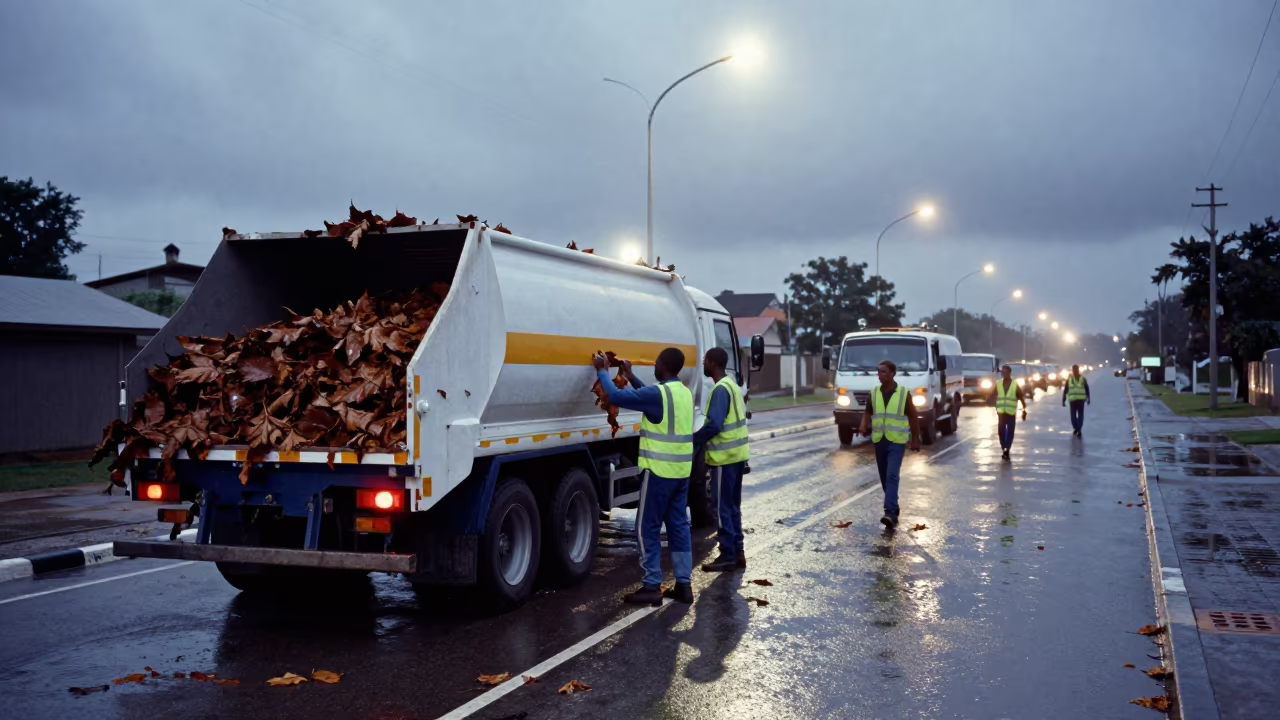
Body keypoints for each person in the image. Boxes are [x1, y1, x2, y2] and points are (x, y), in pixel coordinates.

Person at [592, 348, 694, 605]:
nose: (655, 366)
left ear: (665, 366)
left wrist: (602, 370)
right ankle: (684, 585)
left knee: (645, 528)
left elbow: (615, 395)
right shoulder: (682, 393)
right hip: (681, 473)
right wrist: (631, 376)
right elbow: (647, 396)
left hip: (659, 472)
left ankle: (651, 585)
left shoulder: (657, 394)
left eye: (657, 362)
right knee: (678, 527)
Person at [693, 347, 750, 572]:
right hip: (736, 458)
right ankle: (738, 552)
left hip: (724, 459)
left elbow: (714, 425)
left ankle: (727, 554)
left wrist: (694, 440)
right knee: (733, 507)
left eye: (705, 361)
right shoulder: (733, 386)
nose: (703, 364)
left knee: (722, 508)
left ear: (713, 363)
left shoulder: (720, 390)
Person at [855, 360, 922, 528]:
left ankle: (890, 512)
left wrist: (915, 439)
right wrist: (863, 425)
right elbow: (868, 411)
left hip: (897, 441)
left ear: (892, 373)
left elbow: (913, 417)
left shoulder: (903, 393)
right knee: (885, 478)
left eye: (883, 372)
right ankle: (894, 505)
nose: (880, 374)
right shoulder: (874, 392)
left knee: (892, 475)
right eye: (878, 371)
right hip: (879, 440)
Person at [994, 364, 1029, 460]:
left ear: (1009, 373)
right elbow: (993, 394)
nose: (1003, 374)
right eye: (1002, 372)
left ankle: (1007, 449)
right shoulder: (998, 384)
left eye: (1005, 372)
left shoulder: (1015, 384)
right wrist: (989, 400)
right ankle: (1004, 447)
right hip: (1001, 413)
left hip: (1011, 412)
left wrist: (1024, 409)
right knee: (1001, 431)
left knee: (1010, 432)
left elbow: (1020, 396)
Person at [1063, 364, 1091, 436]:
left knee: (1073, 415)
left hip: (1073, 401)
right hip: (1081, 400)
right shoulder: (1083, 379)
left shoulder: (1069, 380)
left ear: (1072, 370)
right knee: (1080, 415)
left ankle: (1076, 428)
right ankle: (1079, 428)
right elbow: (1087, 389)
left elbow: (1065, 390)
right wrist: (1088, 398)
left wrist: (1063, 400)